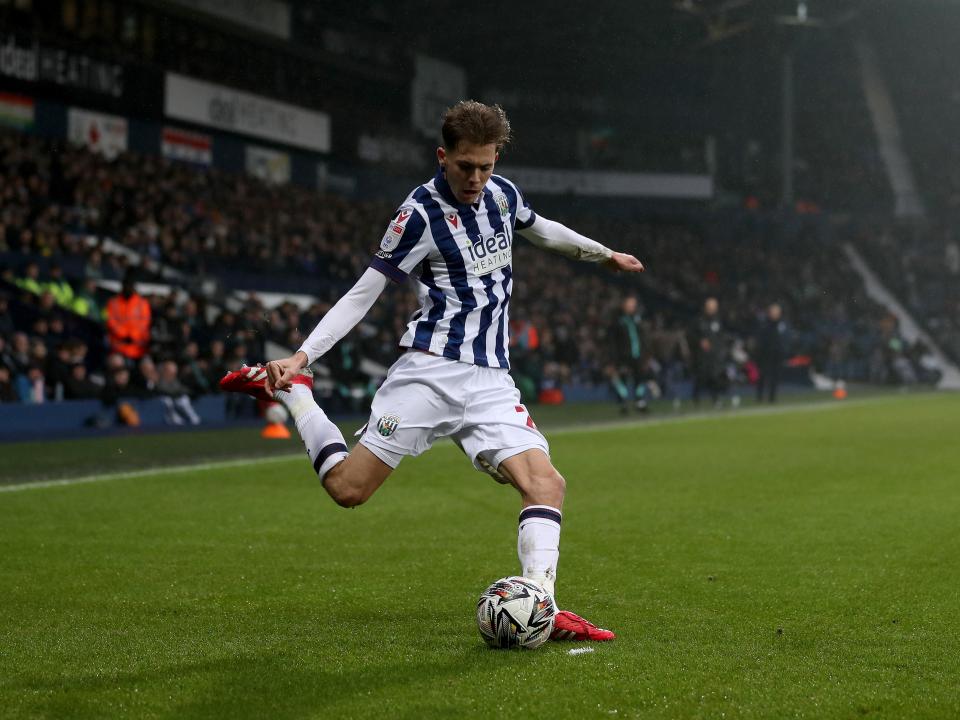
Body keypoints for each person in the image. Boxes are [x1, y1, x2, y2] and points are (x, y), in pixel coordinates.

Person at [220, 101, 645, 642]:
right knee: (349, 489)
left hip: (491, 378)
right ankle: (299, 396)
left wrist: (603, 254)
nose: (475, 178)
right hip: (430, 374)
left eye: (486, 166)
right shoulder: (418, 214)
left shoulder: (503, 195)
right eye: (465, 166)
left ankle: (542, 604)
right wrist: (303, 357)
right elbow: (363, 294)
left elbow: (543, 230)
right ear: (443, 156)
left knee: (546, 483)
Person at [689, 297, 728, 407]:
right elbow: (691, 335)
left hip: (715, 355)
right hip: (701, 355)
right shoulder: (699, 320)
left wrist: (721, 349)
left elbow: (721, 336)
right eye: (710, 306)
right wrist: (700, 341)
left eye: (714, 306)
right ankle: (695, 399)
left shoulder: (718, 320)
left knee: (715, 377)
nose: (712, 308)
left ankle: (716, 399)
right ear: (706, 307)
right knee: (700, 377)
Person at [105, 272, 151, 361]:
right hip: (118, 346)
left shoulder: (142, 303)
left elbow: (144, 323)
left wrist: (132, 335)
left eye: (131, 286)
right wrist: (124, 335)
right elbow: (111, 321)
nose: (128, 288)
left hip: (138, 347)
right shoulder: (113, 302)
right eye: (126, 285)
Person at [754, 303, 786, 403]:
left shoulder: (782, 324)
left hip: (778, 354)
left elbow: (785, 338)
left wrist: (784, 349)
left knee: (775, 376)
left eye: (777, 312)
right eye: (773, 311)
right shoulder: (764, 324)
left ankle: (772, 397)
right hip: (765, 354)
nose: (775, 314)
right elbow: (760, 339)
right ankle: (759, 397)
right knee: (763, 376)